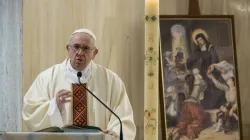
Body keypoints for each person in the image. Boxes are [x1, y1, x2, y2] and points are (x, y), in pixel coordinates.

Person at [22, 28, 136, 140]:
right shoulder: (47, 78)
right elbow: (30, 111)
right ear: (68, 49)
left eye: (86, 48)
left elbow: (123, 116)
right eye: (76, 47)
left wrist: (113, 133)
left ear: (94, 53)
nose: (80, 53)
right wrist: (53, 107)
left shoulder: (111, 81)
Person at [168, 74, 208, 140]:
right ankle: (190, 129)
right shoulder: (197, 86)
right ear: (194, 80)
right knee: (200, 120)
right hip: (193, 106)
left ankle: (173, 133)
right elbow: (205, 85)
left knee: (184, 122)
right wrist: (199, 78)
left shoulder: (185, 86)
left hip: (185, 105)